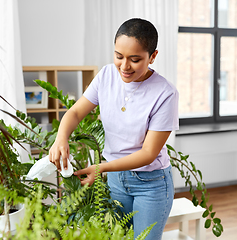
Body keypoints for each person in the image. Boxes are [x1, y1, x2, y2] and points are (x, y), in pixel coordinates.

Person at [49, 18, 179, 240]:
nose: (124, 66)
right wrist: (61, 138)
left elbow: (148, 154)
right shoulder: (107, 75)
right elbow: (76, 112)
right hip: (116, 180)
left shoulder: (165, 94)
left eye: (135, 59)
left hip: (151, 185)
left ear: (153, 56)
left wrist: (100, 169)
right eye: (119, 56)